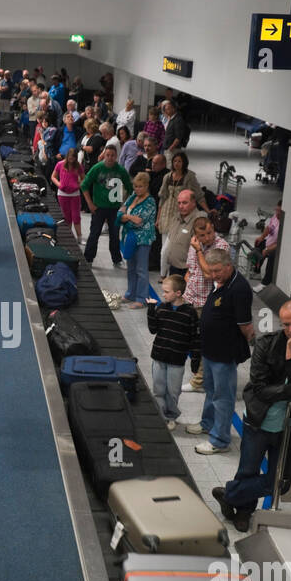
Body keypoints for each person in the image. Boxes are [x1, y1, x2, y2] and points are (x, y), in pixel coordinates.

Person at [214, 300, 291, 529]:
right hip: (259, 420)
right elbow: (260, 389)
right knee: (248, 470)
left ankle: (230, 494)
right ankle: (244, 511)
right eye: (286, 325)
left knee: (281, 482)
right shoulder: (266, 344)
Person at [184, 248, 253, 456]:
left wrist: (248, 342)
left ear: (228, 266)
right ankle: (208, 423)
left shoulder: (239, 288)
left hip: (224, 353)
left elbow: (246, 325)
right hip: (211, 350)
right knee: (211, 391)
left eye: (217, 271)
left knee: (223, 397)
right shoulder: (222, 283)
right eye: (211, 271)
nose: (213, 275)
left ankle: (220, 439)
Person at [180, 213, 228, 390]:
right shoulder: (194, 244)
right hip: (190, 298)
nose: (207, 238)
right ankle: (197, 373)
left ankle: (199, 381)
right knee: (192, 340)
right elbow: (190, 268)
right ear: (196, 235)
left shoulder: (221, 246)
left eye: (210, 233)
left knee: (205, 342)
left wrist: (200, 250)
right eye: (203, 235)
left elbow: (209, 273)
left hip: (208, 302)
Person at [146, 275, 200, 430]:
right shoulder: (162, 308)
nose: (163, 294)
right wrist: (150, 309)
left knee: (173, 392)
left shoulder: (189, 313)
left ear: (178, 293)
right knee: (158, 390)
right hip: (159, 357)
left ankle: (171, 417)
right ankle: (162, 416)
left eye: (166, 292)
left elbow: (195, 339)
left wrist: (195, 364)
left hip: (177, 360)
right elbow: (153, 329)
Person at [81, 144, 131, 267]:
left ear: (116, 156)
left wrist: (125, 205)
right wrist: (90, 204)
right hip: (99, 207)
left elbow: (130, 188)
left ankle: (116, 259)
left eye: (112, 155)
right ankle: (88, 258)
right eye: (107, 155)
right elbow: (84, 186)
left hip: (115, 208)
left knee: (114, 234)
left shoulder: (121, 170)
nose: (109, 158)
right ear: (104, 155)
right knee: (94, 233)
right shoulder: (97, 168)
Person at [118, 171, 157, 307]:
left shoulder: (150, 202)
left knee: (141, 269)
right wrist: (128, 217)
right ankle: (131, 293)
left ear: (146, 186)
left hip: (143, 239)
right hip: (130, 237)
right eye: (135, 186)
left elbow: (139, 221)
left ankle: (141, 298)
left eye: (140, 186)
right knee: (131, 267)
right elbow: (120, 212)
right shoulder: (133, 196)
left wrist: (126, 217)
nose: (137, 189)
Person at [51, 148, 85, 244]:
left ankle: (79, 237)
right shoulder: (60, 164)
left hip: (75, 194)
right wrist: (59, 184)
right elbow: (53, 176)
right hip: (62, 194)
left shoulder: (78, 166)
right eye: (70, 158)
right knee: (67, 217)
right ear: (67, 157)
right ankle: (70, 236)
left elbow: (83, 178)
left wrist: (78, 185)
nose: (71, 160)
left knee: (76, 216)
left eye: (73, 158)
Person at [252, 199, 283, 286]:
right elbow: (268, 228)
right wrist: (261, 237)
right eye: (276, 210)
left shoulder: (285, 224)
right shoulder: (275, 217)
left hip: (276, 247)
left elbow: (281, 243)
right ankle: (256, 271)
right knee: (258, 245)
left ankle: (265, 283)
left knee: (272, 256)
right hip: (269, 242)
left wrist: (268, 249)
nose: (277, 213)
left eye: (279, 211)